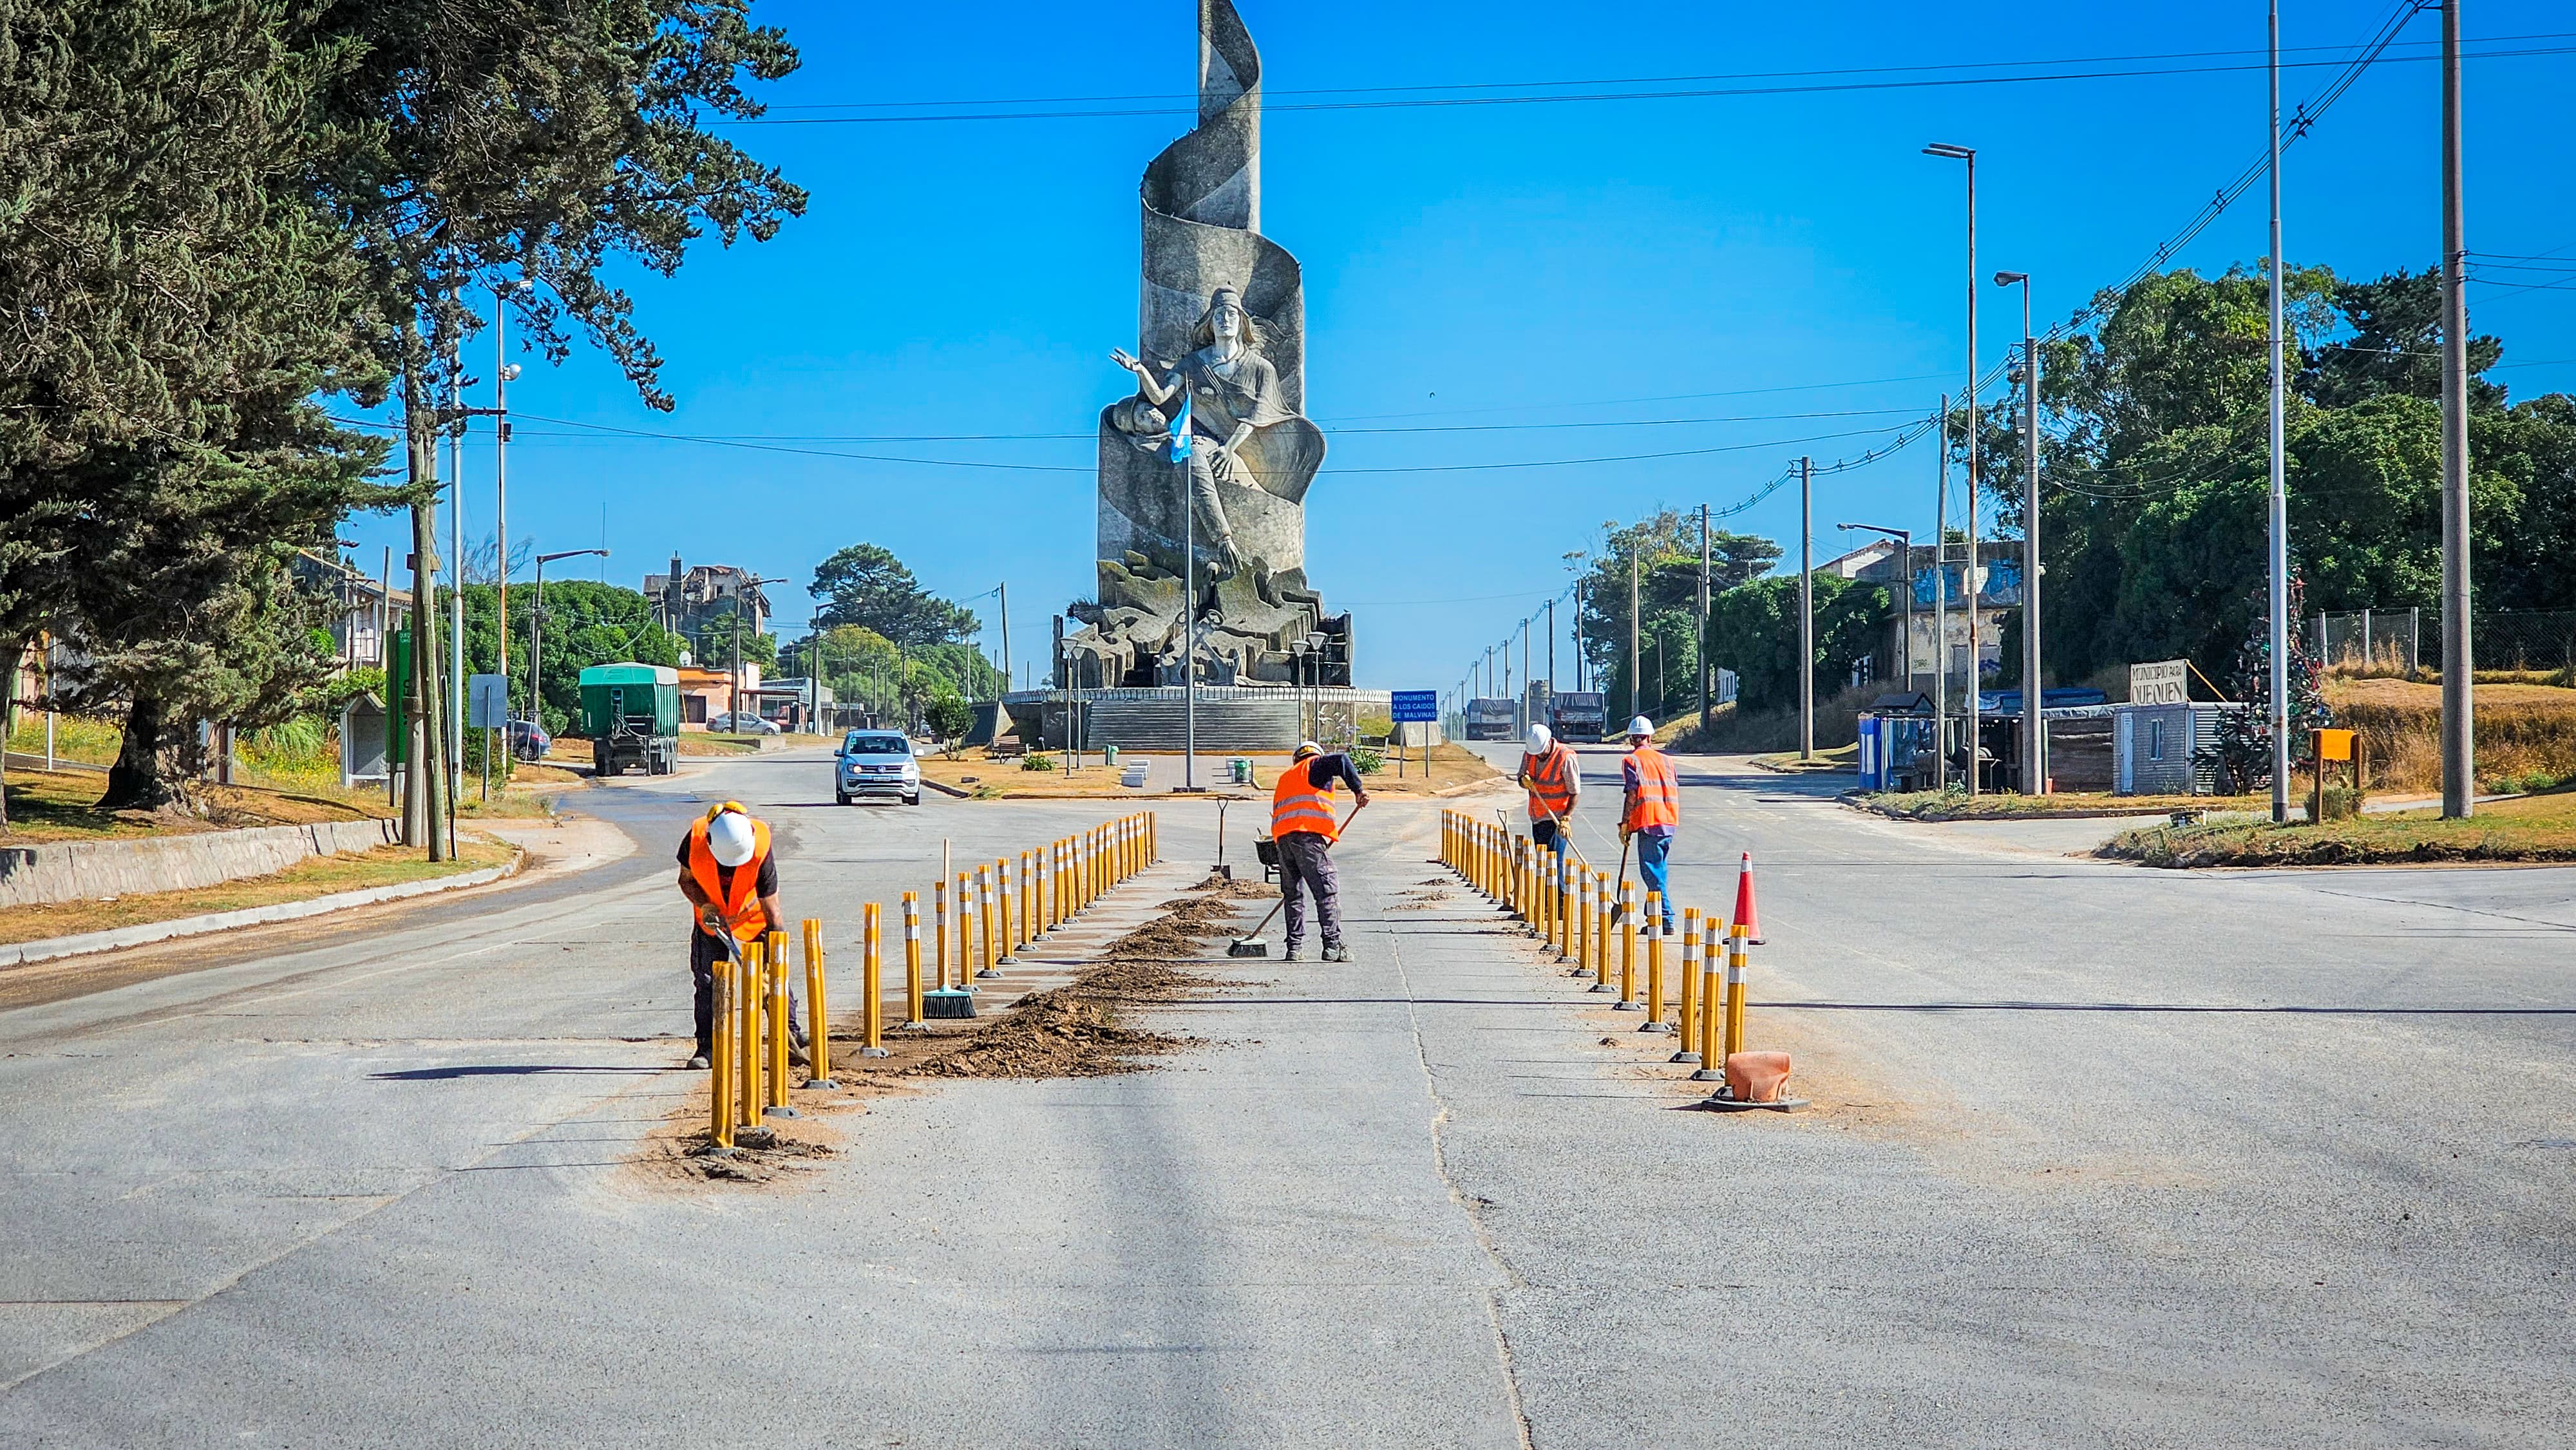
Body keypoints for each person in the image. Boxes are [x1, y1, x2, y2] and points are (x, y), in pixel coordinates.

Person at [676, 800, 802, 1070]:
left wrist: (774, 954)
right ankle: (708, 1048)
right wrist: (704, 904)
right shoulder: (696, 839)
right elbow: (686, 880)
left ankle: (791, 1032)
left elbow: (772, 907)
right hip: (712, 922)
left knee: (774, 980)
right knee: (708, 981)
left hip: (752, 919)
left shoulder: (759, 844)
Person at [1271, 739, 1370, 963]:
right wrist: (1358, 790)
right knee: (1326, 891)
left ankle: (1294, 949)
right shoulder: (1315, 765)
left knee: (1293, 895)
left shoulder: (1286, 777)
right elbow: (1342, 760)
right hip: (1308, 838)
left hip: (1283, 842)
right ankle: (1333, 946)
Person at [1618, 715, 1680, 933]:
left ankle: (1666, 918)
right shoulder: (1667, 760)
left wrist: (1626, 823)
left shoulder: (1632, 761)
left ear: (1632, 739)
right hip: (1668, 821)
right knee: (1658, 871)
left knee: (1652, 873)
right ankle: (1653, 916)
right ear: (1650, 737)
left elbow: (1632, 794)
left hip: (1649, 823)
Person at [1517, 722, 1580, 859]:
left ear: (1549, 742)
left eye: (1541, 752)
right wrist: (1524, 781)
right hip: (1537, 818)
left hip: (1556, 820)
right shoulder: (1530, 755)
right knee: (1542, 865)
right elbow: (1521, 778)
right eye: (1536, 753)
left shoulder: (1564, 757)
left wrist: (1566, 818)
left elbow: (1575, 792)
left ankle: (1559, 882)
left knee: (1554, 865)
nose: (1538, 756)